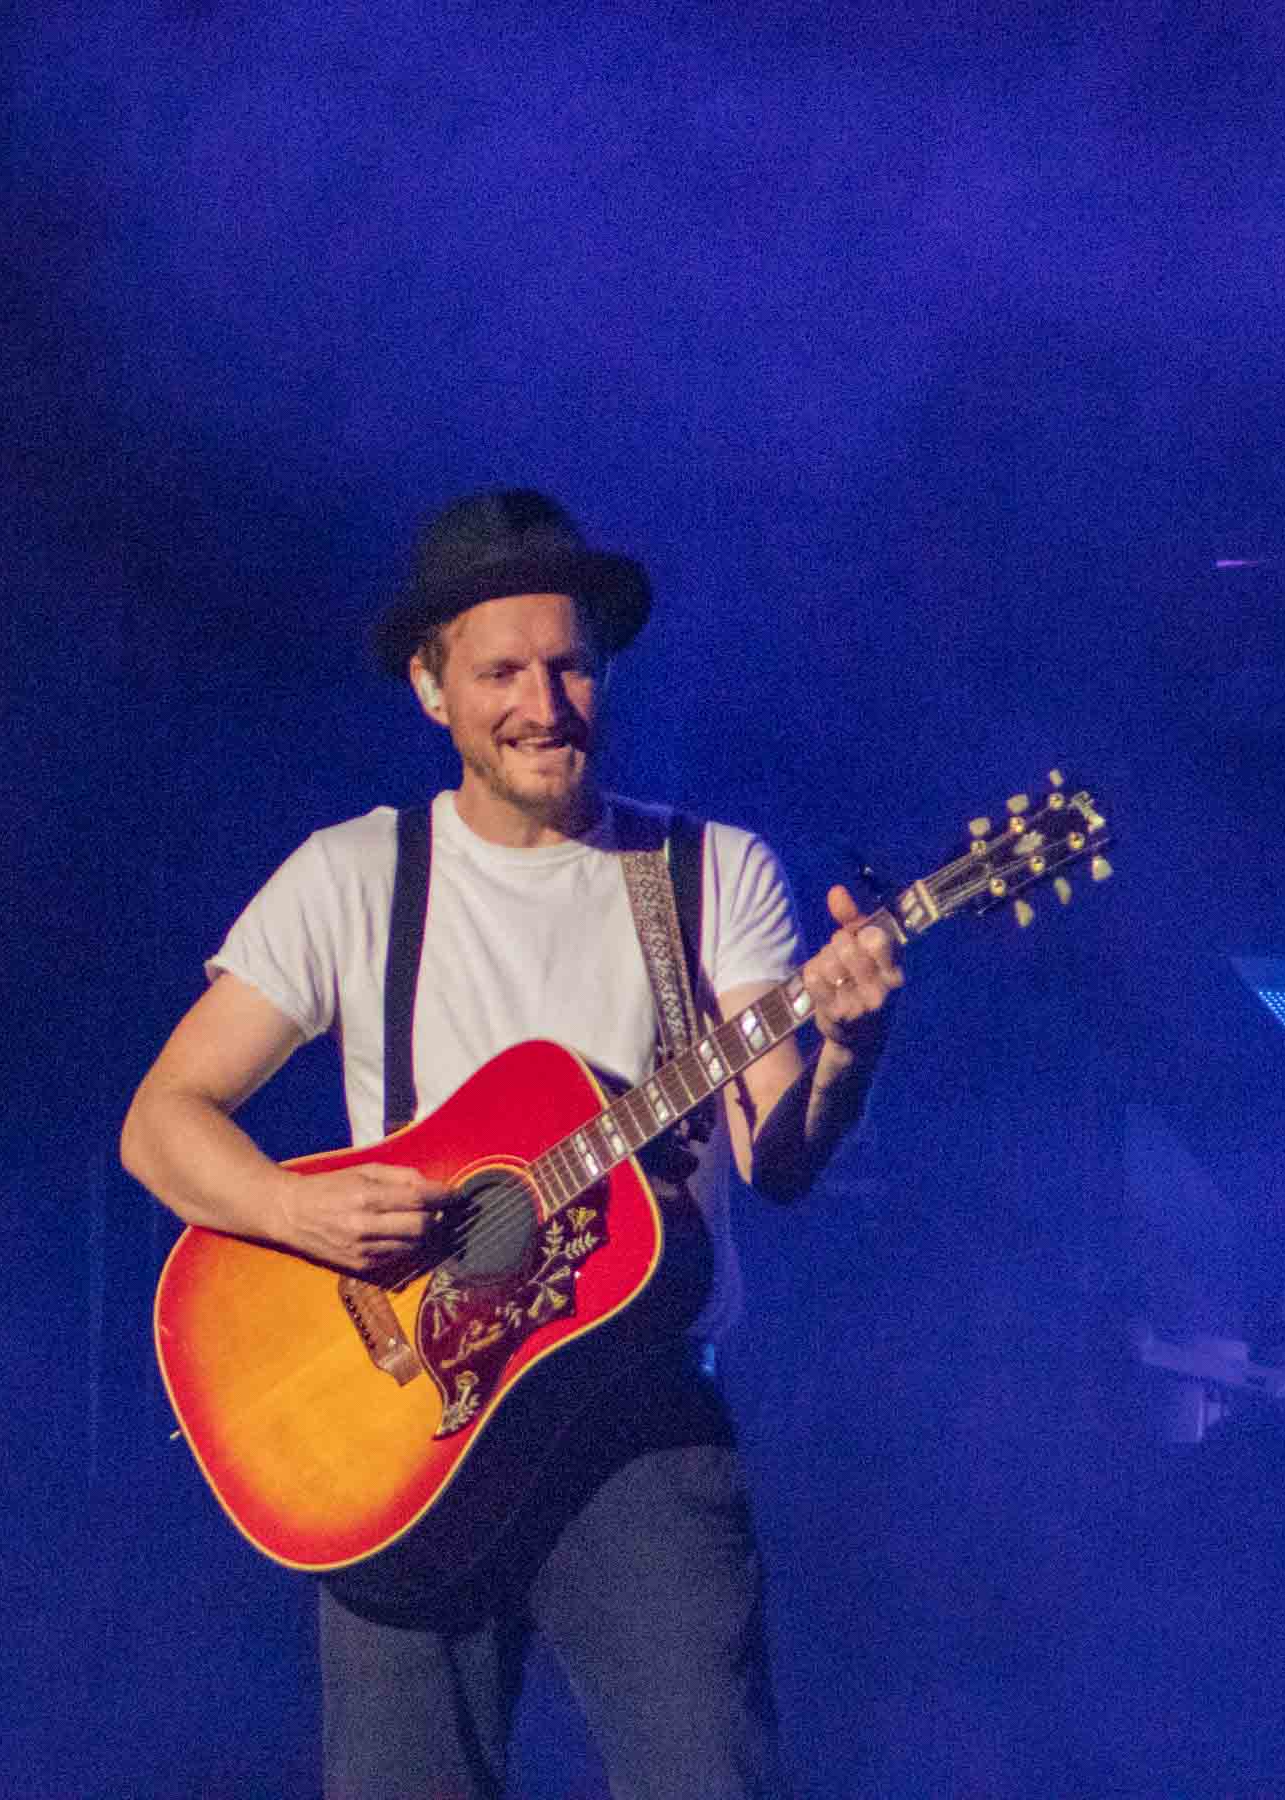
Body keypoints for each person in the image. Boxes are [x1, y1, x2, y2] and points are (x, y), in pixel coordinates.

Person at [117, 489, 902, 1799]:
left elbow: (781, 1159)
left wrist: (850, 1050)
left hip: (638, 1428)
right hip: (408, 1428)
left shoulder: (711, 873)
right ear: (431, 690)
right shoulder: (353, 875)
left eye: (569, 664)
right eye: (500, 672)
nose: (543, 703)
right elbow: (162, 1124)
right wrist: (296, 1214)